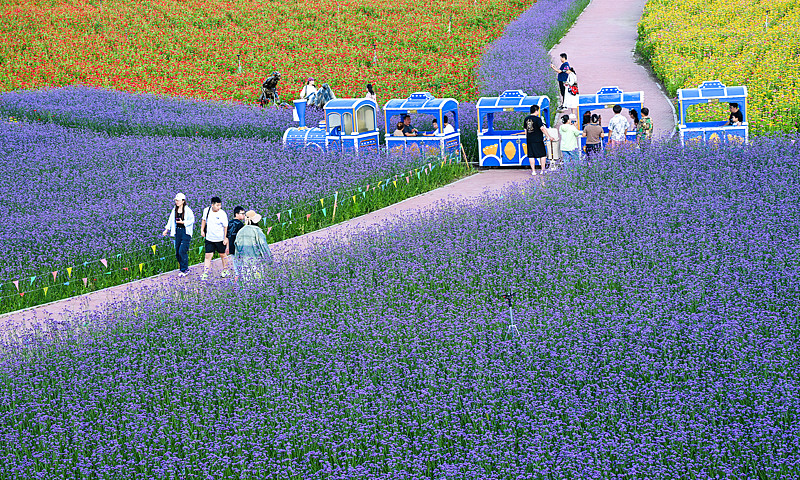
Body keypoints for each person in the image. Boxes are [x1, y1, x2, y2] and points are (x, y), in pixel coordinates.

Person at [234, 210, 274, 281]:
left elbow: (237, 249)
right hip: (256, 262)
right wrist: (269, 260)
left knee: (247, 284)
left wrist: (238, 263)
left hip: (244, 263)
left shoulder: (240, 232)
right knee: (258, 282)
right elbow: (263, 246)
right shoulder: (257, 231)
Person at [162, 193, 195, 277]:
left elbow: (192, 220)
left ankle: (184, 269)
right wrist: (166, 230)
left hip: (185, 232)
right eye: (176, 200)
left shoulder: (188, 210)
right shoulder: (174, 210)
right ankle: (182, 268)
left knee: (182, 250)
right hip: (177, 231)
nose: (176, 202)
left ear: (183, 201)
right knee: (177, 252)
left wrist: (183, 222)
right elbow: (170, 220)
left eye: (178, 200)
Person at [521, 104, 556, 176]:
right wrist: (548, 136)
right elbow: (542, 128)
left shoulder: (526, 119)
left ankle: (533, 171)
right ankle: (542, 170)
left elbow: (525, 130)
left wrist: (528, 137)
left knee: (531, 156)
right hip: (538, 140)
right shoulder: (538, 119)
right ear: (536, 111)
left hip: (530, 140)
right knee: (542, 155)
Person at [200, 196, 229, 279]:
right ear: (212, 205)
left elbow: (225, 226)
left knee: (222, 254)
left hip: (219, 238)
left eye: (220, 205)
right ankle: (205, 273)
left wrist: (225, 238)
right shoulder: (206, 210)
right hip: (209, 238)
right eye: (217, 205)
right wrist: (202, 230)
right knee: (208, 255)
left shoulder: (222, 213)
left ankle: (225, 270)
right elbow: (204, 220)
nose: (219, 207)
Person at [226, 206, 246, 276]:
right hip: (239, 247)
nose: (244, 215)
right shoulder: (240, 224)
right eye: (242, 213)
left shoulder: (229, 223)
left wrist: (227, 247)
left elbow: (227, 236)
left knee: (235, 263)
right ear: (236, 214)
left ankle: (237, 276)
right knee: (241, 263)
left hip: (231, 246)